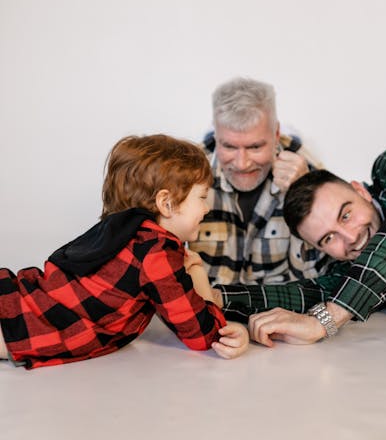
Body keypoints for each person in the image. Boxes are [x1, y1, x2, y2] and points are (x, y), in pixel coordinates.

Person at [0, 134, 249, 369]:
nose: (206, 209)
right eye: (202, 197)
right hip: (20, 322)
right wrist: (197, 274)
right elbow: (204, 335)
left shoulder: (126, 235)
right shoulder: (156, 250)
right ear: (166, 203)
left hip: (15, 300)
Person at [214, 142, 386, 343]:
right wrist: (216, 298)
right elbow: (304, 295)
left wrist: (323, 322)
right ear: (320, 249)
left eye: (346, 214)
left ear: (360, 190)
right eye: (328, 238)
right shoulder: (360, 276)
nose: (351, 237)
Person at [189, 76, 329, 285]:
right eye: (229, 146)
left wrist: (303, 196)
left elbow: (315, 279)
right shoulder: (186, 176)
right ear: (215, 134)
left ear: (276, 133)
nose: (242, 164)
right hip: (208, 310)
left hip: (276, 310)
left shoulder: (308, 172)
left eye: (255, 147)